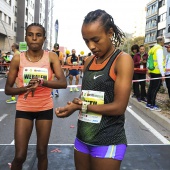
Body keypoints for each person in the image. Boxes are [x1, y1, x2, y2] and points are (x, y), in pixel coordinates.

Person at [55, 9, 133, 170]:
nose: (91, 46)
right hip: (82, 139)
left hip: (108, 140)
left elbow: (119, 107)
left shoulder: (122, 60)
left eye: (96, 40)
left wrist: (82, 106)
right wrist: (74, 105)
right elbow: (89, 97)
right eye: (86, 41)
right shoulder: (89, 61)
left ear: (110, 33)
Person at [5, 23, 67, 170]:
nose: (34, 38)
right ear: (25, 38)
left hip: (44, 108)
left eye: (38, 35)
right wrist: (25, 88)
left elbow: (63, 83)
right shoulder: (17, 59)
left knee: (41, 152)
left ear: (44, 38)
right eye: (30, 35)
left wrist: (41, 82)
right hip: (24, 108)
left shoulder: (51, 57)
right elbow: (8, 89)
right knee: (20, 156)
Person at [146, 36, 165, 111]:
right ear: (161, 41)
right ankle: (152, 105)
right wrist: (163, 75)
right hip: (157, 72)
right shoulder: (159, 49)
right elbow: (160, 63)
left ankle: (148, 103)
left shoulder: (152, 49)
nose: (164, 42)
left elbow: (148, 61)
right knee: (155, 88)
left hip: (152, 71)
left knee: (151, 87)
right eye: (163, 41)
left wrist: (148, 71)